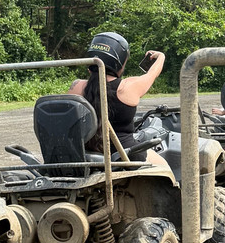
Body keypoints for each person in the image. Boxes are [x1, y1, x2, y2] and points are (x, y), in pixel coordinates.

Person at [70, 32, 170, 168]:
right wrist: (161, 57)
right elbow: (152, 74)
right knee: (165, 167)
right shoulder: (126, 87)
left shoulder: (76, 87)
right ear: (119, 62)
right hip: (123, 154)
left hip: (85, 152)